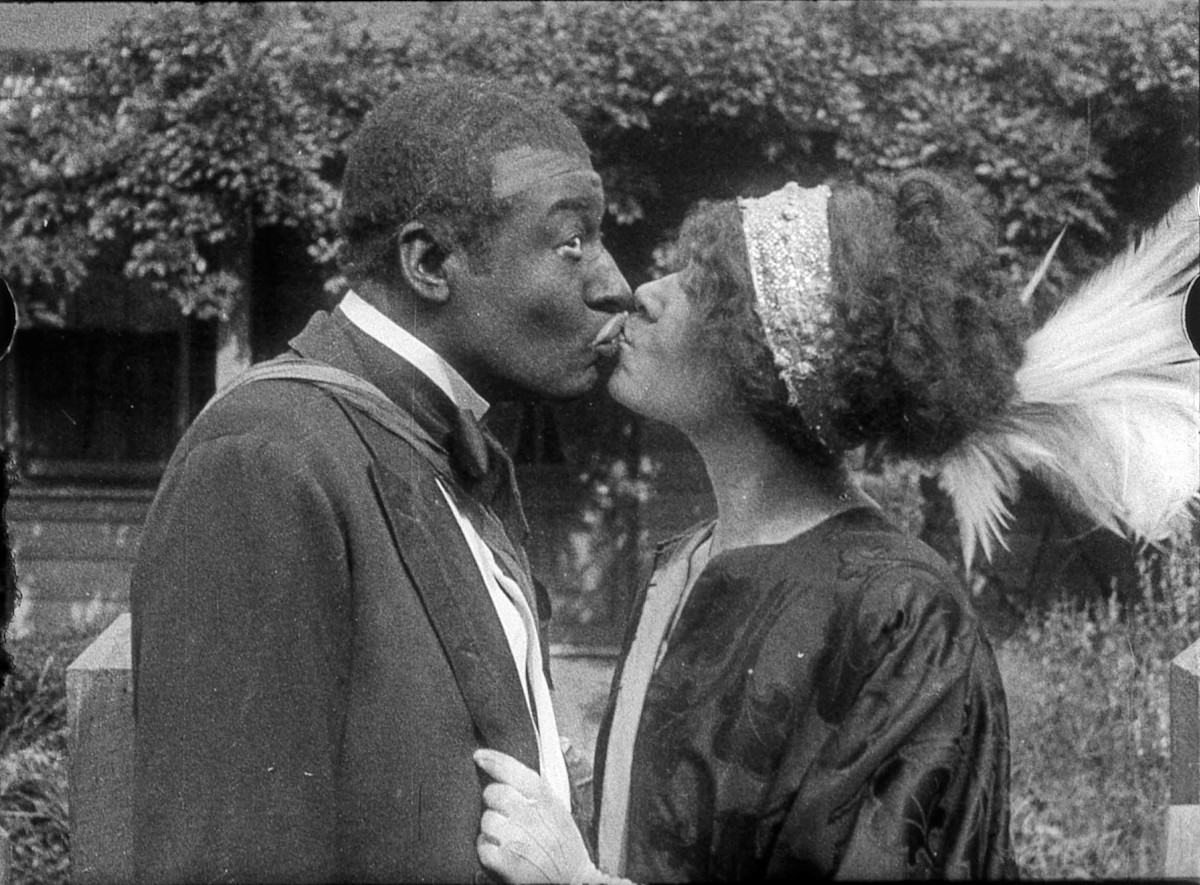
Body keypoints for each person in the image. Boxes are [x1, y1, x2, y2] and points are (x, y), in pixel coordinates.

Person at [474, 172, 1200, 881]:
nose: (644, 294)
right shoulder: (680, 564)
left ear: (768, 362)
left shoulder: (901, 613)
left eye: (698, 286)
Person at [130, 76, 631, 883]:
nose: (615, 284)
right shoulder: (267, 458)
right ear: (430, 261)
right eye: (570, 240)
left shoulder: (440, 447)